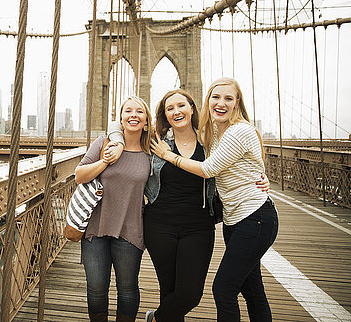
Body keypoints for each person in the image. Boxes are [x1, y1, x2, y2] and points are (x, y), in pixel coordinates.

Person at [108, 89, 266, 322]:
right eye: (169, 108)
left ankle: (157, 318)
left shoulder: (212, 139)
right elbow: (117, 124)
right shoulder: (155, 138)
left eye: (181, 105)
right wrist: (118, 143)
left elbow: (241, 157)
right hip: (159, 224)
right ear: (164, 114)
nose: (176, 111)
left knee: (190, 294)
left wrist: (260, 176)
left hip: (199, 225)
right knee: (169, 290)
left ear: (192, 108)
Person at [150, 78, 278, 322]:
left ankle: (157, 318)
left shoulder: (217, 137)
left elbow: (210, 168)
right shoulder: (213, 135)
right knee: (252, 290)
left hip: (247, 217)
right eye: (216, 98)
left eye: (228, 98)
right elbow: (126, 128)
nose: (221, 103)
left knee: (221, 290)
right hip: (225, 221)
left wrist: (169, 157)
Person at [75, 96, 153, 322]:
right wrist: (106, 161)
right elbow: (79, 175)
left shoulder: (152, 152)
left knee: (127, 289)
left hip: (130, 231)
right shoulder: (103, 143)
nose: (133, 115)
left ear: (146, 120)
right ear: (120, 118)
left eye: (139, 111)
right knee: (97, 289)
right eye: (128, 111)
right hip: (95, 229)